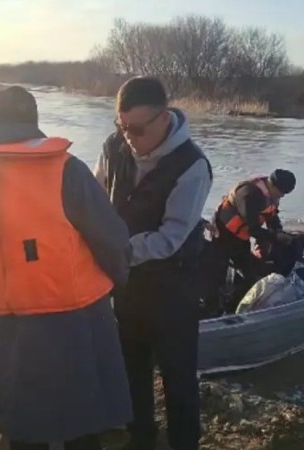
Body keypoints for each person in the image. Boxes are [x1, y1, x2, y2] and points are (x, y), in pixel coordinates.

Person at [0, 86, 133, 449]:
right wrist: (120, 279)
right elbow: (112, 240)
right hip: (75, 319)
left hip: (3, 322)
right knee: (82, 422)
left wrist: (3, 288)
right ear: (32, 122)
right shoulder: (64, 168)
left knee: (21, 422)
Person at [93, 77, 213, 450]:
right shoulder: (114, 147)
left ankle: (183, 442)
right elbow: (96, 197)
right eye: (122, 126)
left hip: (172, 291)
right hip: (127, 287)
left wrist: (117, 250)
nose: (129, 137)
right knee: (133, 373)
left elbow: (171, 236)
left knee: (178, 380)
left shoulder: (193, 166)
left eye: (138, 129)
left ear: (164, 119)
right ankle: (141, 438)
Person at [212, 170, 297, 288]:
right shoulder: (249, 194)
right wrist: (275, 237)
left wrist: (280, 234)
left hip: (242, 234)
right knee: (224, 270)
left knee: (251, 267)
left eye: (285, 194)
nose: (282, 196)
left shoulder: (271, 194)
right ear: (272, 184)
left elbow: (272, 218)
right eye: (281, 192)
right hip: (224, 231)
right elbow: (254, 229)